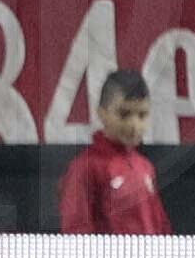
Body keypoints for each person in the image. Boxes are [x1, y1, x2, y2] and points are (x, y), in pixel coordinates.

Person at [53, 67, 168, 233]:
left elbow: (161, 229)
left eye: (142, 115)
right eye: (124, 114)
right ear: (102, 113)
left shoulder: (145, 167)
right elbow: (76, 234)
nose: (134, 125)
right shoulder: (85, 167)